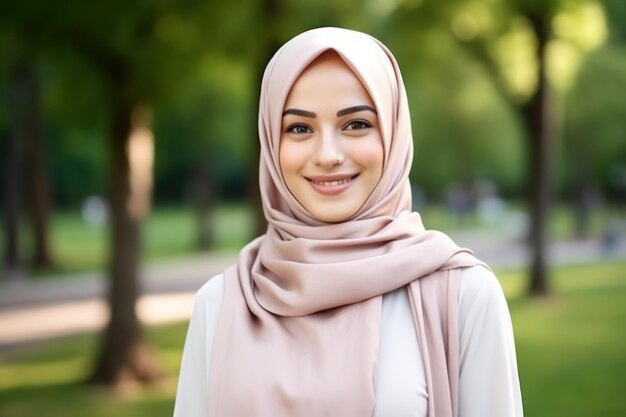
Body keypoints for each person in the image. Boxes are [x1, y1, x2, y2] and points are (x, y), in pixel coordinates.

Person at [173, 27, 523, 417]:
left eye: (356, 124)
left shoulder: (463, 295)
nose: (327, 154)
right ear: (271, 142)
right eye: (299, 128)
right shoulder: (220, 303)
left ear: (393, 133)